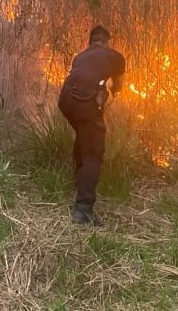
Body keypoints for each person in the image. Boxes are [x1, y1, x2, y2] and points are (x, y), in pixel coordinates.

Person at [58, 25, 125, 225]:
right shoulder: (115, 56)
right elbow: (119, 85)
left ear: (90, 42)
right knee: (94, 154)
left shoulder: (79, 57)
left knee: (83, 136)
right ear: (107, 41)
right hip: (85, 104)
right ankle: (83, 209)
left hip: (65, 102)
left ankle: (77, 183)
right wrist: (110, 90)